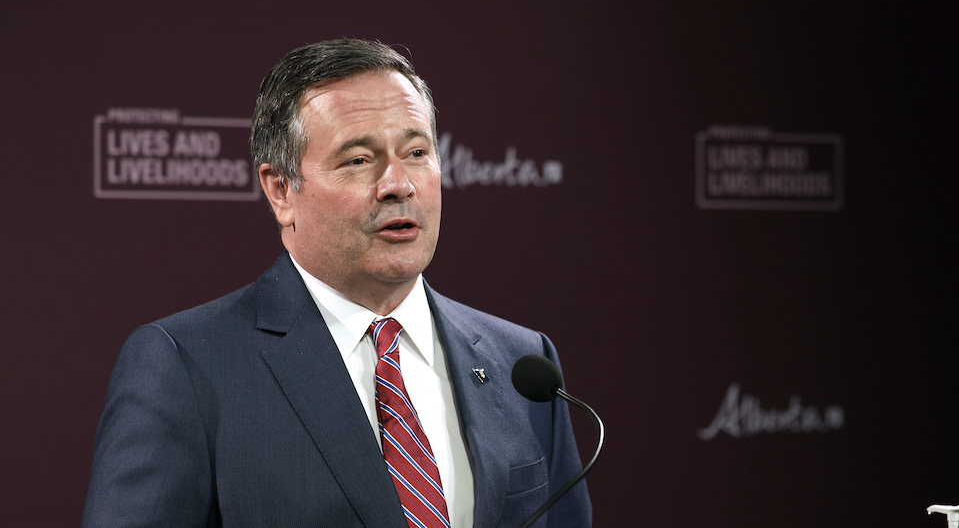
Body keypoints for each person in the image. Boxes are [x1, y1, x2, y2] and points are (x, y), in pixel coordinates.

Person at [82, 39, 592, 528]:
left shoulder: (521, 363)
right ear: (281, 190)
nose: (399, 185)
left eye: (417, 153)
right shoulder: (185, 366)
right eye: (358, 160)